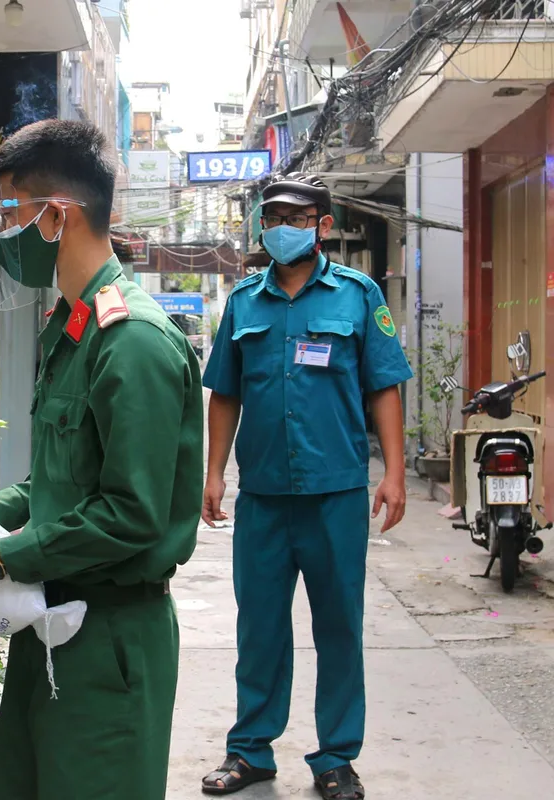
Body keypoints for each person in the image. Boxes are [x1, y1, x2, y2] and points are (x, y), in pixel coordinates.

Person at [0, 119, 203, 799]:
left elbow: (130, 516)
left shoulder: (130, 343)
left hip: (110, 639)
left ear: (58, 215)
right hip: (49, 623)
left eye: (8, 212)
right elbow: (64, 482)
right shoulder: (72, 327)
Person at [199, 173, 412, 799]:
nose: (281, 227)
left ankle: (336, 758)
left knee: (339, 626)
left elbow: (384, 386)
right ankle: (250, 752)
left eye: (295, 216)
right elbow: (225, 392)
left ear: (322, 224)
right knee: (259, 628)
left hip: (336, 493)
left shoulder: (357, 294)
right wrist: (215, 473)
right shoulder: (244, 302)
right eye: (272, 217)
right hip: (263, 495)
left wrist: (394, 473)